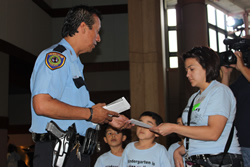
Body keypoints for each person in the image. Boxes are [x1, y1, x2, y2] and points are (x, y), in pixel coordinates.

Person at [29, 5, 131, 167]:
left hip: (74, 151)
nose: (98, 39)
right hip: (58, 152)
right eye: (97, 32)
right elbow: (42, 105)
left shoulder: (74, 63)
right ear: (83, 27)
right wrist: (90, 113)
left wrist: (108, 117)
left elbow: (78, 107)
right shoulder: (57, 57)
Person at [151, 46, 243, 167]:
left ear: (207, 67)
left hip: (219, 158)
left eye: (191, 69)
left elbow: (213, 133)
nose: (187, 74)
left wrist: (174, 128)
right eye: (186, 70)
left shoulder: (219, 91)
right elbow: (196, 130)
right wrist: (180, 150)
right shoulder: (194, 97)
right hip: (198, 159)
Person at [221, 50, 250, 166]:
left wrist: (242, 67)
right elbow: (224, 99)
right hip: (241, 142)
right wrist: (226, 74)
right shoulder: (243, 79)